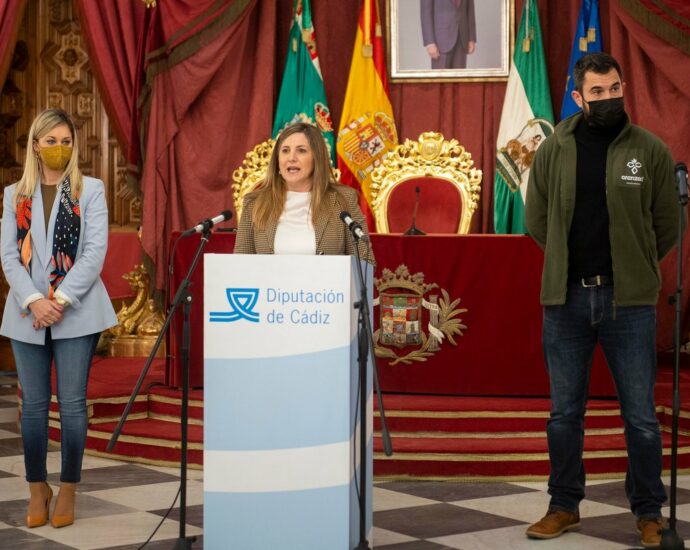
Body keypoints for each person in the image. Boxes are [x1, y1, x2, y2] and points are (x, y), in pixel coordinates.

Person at [524, 52, 685, 548]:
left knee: (639, 415)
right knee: (563, 414)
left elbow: (665, 225)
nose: (609, 98)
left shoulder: (650, 150)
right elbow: (537, 220)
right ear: (579, 97)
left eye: (614, 88)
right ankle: (564, 505)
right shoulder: (554, 149)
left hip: (629, 304)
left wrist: (633, 264)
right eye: (598, 92)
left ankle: (649, 513)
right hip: (567, 300)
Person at [0, 109, 117, 529]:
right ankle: (37, 486)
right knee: (32, 407)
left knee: (70, 405)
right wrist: (34, 301)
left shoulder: (91, 190)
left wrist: (60, 300)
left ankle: (67, 487)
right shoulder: (15, 193)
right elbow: (9, 257)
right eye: (50, 141)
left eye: (66, 140)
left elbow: (94, 253)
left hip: (77, 312)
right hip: (26, 313)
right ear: (35, 145)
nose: (59, 148)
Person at [234, 122, 373, 262]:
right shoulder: (254, 203)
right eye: (285, 150)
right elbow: (239, 265)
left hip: (325, 284)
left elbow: (366, 262)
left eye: (301, 150)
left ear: (316, 159)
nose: (291, 158)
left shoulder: (343, 199)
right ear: (277, 160)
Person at [420, 0, 476, 69]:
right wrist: (430, 43)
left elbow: (470, 9)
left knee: (459, 78)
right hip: (440, 41)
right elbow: (425, 13)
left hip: (461, 38)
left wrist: (471, 38)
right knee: (441, 78)